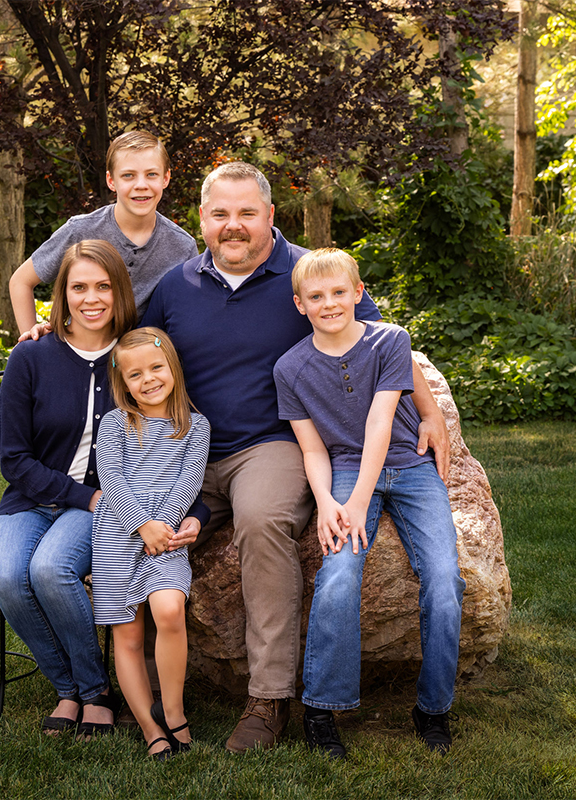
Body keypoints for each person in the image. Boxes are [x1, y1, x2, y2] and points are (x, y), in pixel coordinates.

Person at [141, 162, 451, 753]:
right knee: (132, 524)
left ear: (270, 217)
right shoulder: (175, 286)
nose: (234, 226)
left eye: (246, 214)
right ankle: (134, 687)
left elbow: (378, 341)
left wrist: (429, 406)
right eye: (220, 214)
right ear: (200, 219)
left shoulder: (310, 274)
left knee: (261, 521)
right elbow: (134, 356)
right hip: (186, 447)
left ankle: (269, 698)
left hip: (271, 445)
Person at [0, 240, 209, 738]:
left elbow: (175, 434)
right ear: (61, 295)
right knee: (5, 577)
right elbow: (14, 459)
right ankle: (77, 687)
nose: (92, 298)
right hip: (35, 499)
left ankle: (93, 691)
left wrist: (192, 508)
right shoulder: (32, 356)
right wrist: (86, 496)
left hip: (105, 506)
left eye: (103, 286)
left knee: (50, 570)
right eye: (78, 287)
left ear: (120, 291)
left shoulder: (134, 357)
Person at [273, 248, 466, 758]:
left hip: (410, 467)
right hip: (344, 469)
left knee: (445, 579)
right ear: (299, 304)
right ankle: (322, 709)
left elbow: (381, 424)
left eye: (339, 292)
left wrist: (357, 504)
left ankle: (433, 707)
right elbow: (312, 448)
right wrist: (327, 503)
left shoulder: (389, 340)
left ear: (359, 293)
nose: (330, 303)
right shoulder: (289, 368)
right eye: (316, 297)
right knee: (338, 573)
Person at [92, 328, 210, 759]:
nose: (148, 379)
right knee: (127, 634)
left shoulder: (195, 427)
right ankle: (149, 727)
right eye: (135, 374)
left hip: (167, 533)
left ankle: (173, 710)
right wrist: (141, 524)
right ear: (123, 382)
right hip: (119, 533)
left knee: (169, 609)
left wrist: (164, 524)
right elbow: (112, 480)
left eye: (156, 368)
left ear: (172, 368)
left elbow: (189, 481)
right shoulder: (116, 424)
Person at [9, 130, 198, 339]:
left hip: (139, 363)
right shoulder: (81, 231)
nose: (141, 185)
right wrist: (31, 345)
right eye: (128, 175)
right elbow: (21, 281)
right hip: (80, 353)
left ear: (166, 178)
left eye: (151, 174)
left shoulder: (183, 246)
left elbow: (187, 316)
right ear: (111, 180)